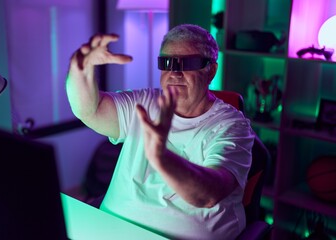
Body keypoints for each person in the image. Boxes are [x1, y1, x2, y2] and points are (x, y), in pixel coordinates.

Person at [66, 24, 254, 240]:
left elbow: (209, 194)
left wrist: (162, 158)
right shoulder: (144, 102)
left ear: (210, 70)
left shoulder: (232, 126)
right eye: (167, 63)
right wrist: (79, 72)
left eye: (187, 63)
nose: (174, 73)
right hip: (112, 229)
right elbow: (91, 110)